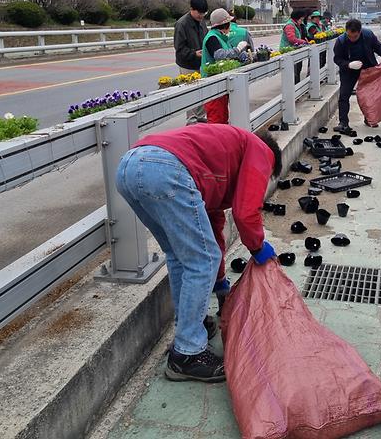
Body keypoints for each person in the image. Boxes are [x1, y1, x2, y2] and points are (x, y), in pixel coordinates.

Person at [115, 125, 282, 383]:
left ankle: (192, 327)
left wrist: (220, 282)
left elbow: (212, 227)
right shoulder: (260, 150)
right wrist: (259, 248)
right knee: (200, 260)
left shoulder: (222, 161)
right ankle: (188, 354)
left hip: (130, 166)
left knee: (181, 255)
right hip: (163, 169)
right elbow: (246, 212)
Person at [332, 18, 381, 133]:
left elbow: (378, 47)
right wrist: (349, 64)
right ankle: (343, 122)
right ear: (346, 31)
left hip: (368, 67)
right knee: (344, 95)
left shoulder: (368, 35)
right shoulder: (341, 41)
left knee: (371, 95)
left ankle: (369, 118)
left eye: (355, 37)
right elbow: (337, 59)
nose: (352, 39)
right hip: (349, 69)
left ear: (360, 32)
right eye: (349, 36)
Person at [201, 8, 252, 124]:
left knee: (223, 116)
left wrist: (244, 56)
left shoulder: (222, 38)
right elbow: (219, 55)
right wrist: (238, 49)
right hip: (212, 84)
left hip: (220, 82)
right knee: (216, 118)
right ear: (225, 25)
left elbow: (229, 54)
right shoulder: (212, 38)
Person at [174, 0, 209, 124]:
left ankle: (200, 116)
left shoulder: (202, 22)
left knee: (201, 90)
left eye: (204, 13)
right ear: (191, 9)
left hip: (201, 62)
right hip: (187, 64)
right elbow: (179, 49)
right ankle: (191, 120)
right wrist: (194, 53)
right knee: (190, 91)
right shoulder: (182, 24)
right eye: (199, 12)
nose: (201, 15)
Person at [279, 8, 309, 83]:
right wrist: (303, 42)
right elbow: (292, 39)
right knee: (294, 73)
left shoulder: (295, 25)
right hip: (288, 52)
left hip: (294, 51)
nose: (301, 21)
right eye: (301, 19)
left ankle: (296, 88)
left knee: (297, 71)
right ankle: (294, 89)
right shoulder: (290, 25)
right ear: (297, 18)